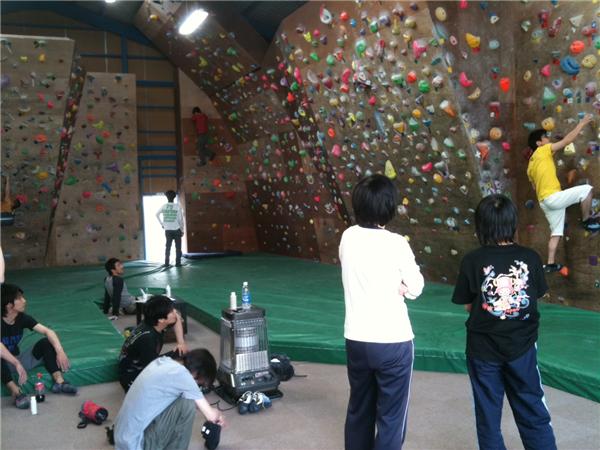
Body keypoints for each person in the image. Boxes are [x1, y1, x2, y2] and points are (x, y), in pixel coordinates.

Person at [452, 194, 556, 450]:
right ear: (512, 223)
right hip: (522, 346)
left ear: (481, 225)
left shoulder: (472, 260)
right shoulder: (530, 257)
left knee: (488, 416)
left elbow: (468, 305)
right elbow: (536, 296)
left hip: (483, 350)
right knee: (532, 408)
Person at [339, 174, 424, 450]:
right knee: (391, 417)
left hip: (356, 339)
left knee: (359, 408)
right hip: (393, 342)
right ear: (389, 207)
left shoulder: (348, 237)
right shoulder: (396, 243)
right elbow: (417, 286)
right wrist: (404, 288)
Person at [527, 113, 599, 272]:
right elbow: (566, 141)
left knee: (556, 233)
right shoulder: (543, 150)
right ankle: (586, 220)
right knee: (587, 190)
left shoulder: (530, 165)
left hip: (544, 202)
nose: (548, 140)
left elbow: (534, 186)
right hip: (553, 197)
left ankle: (550, 264)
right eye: (545, 138)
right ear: (539, 143)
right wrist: (582, 123)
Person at [114, 348, 225, 450]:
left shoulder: (164, 362)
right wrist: (217, 415)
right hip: (136, 444)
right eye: (200, 384)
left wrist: (206, 408)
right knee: (187, 405)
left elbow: (192, 397)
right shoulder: (183, 376)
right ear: (198, 373)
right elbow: (211, 416)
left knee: (183, 399)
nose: (198, 387)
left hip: (123, 438)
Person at [1, 283, 78, 409]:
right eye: (19, 298)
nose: (24, 300)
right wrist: (16, 363)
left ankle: (60, 382)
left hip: (17, 360)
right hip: (5, 363)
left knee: (46, 342)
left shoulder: (22, 318)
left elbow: (48, 331)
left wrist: (60, 351)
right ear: (9, 305)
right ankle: (16, 392)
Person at [118, 295, 189, 391]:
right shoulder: (148, 338)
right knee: (179, 382)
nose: (175, 313)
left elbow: (176, 319)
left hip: (143, 362)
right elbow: (151, 367)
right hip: (133, 377)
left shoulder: (154, 321)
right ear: (161, 320)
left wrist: (181, 343)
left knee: (181, 352)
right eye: (172, 311)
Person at [155, 190, 184, 267]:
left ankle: (166, 263)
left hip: (167, 230)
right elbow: (180, 220)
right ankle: (178, 263)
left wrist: (162, 224)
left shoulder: (164, 206)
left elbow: (156, 214)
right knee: (178, 247)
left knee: (168, 247)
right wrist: (182, 230)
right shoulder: (177, 206)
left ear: (166, 197)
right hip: (177, 229)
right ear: (174, 197)